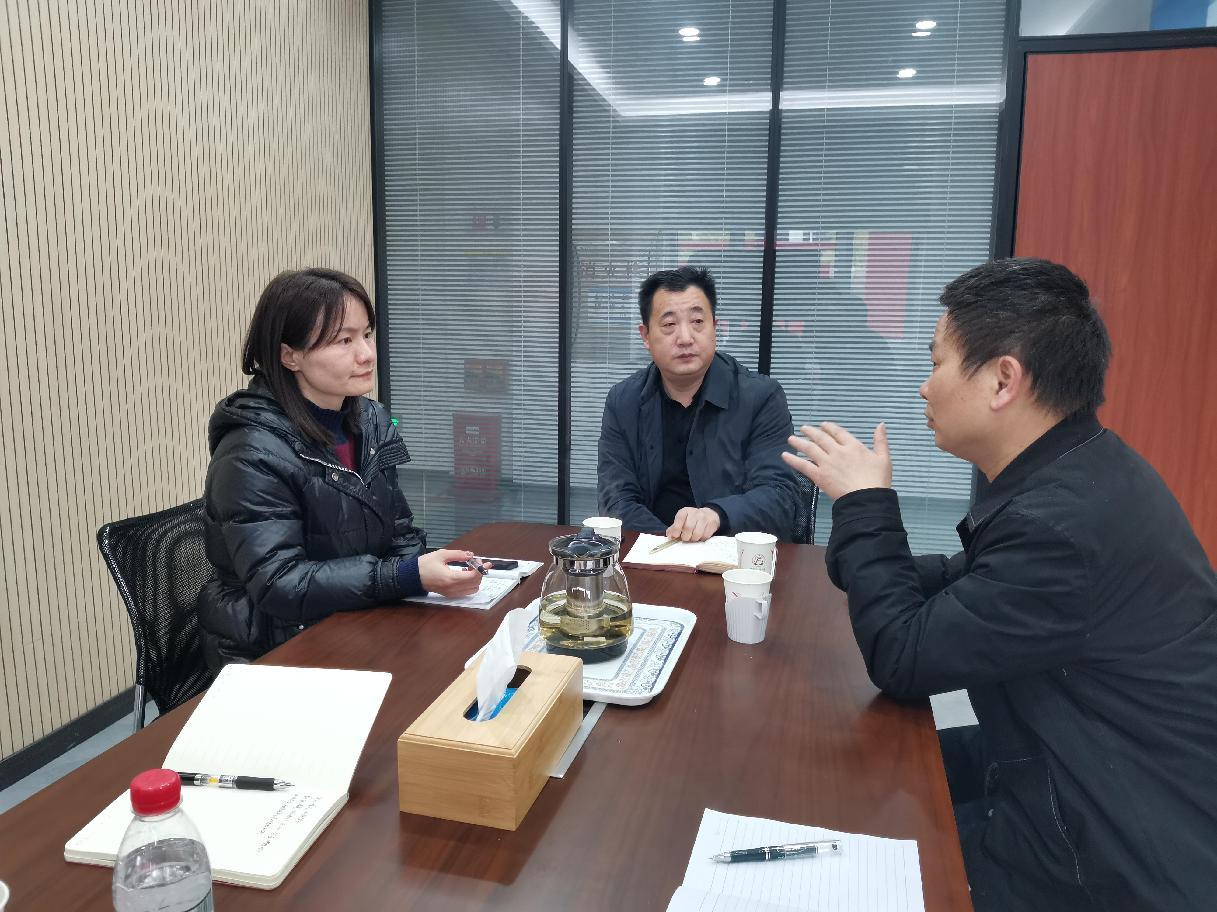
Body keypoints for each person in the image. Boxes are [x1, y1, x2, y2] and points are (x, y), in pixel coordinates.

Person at [783, 258, 1217, 911]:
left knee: (837, 842)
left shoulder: (1062, 527)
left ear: (1002, 380)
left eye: (936, 363)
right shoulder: (1082, 473)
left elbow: (901, 658)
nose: (923, 387)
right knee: (844, 777)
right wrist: (866, 541)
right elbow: (968, 583)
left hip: (1109, 857)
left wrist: (866, 507)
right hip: (1056, 766)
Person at [198, 268, 482, 669]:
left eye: (366, 334)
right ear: (290, 356)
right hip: (277, 649)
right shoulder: (250, 453)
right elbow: (281, 584)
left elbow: (399, 530)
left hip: (359, 620)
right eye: (343, 340)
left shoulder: (371, 421)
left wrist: (424, 575)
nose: (366, 354)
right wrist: (405, 576)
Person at [597, 266, 798, 543]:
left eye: (697, 322)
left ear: (715, 327)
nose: (685, 338)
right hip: (651, 551)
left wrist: (716, 515)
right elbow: (616, 499)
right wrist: (669, 544)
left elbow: (780, 498)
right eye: (669, 325)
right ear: (646, 336)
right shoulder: (623, 402)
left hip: (732, 555)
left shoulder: (761, 398)